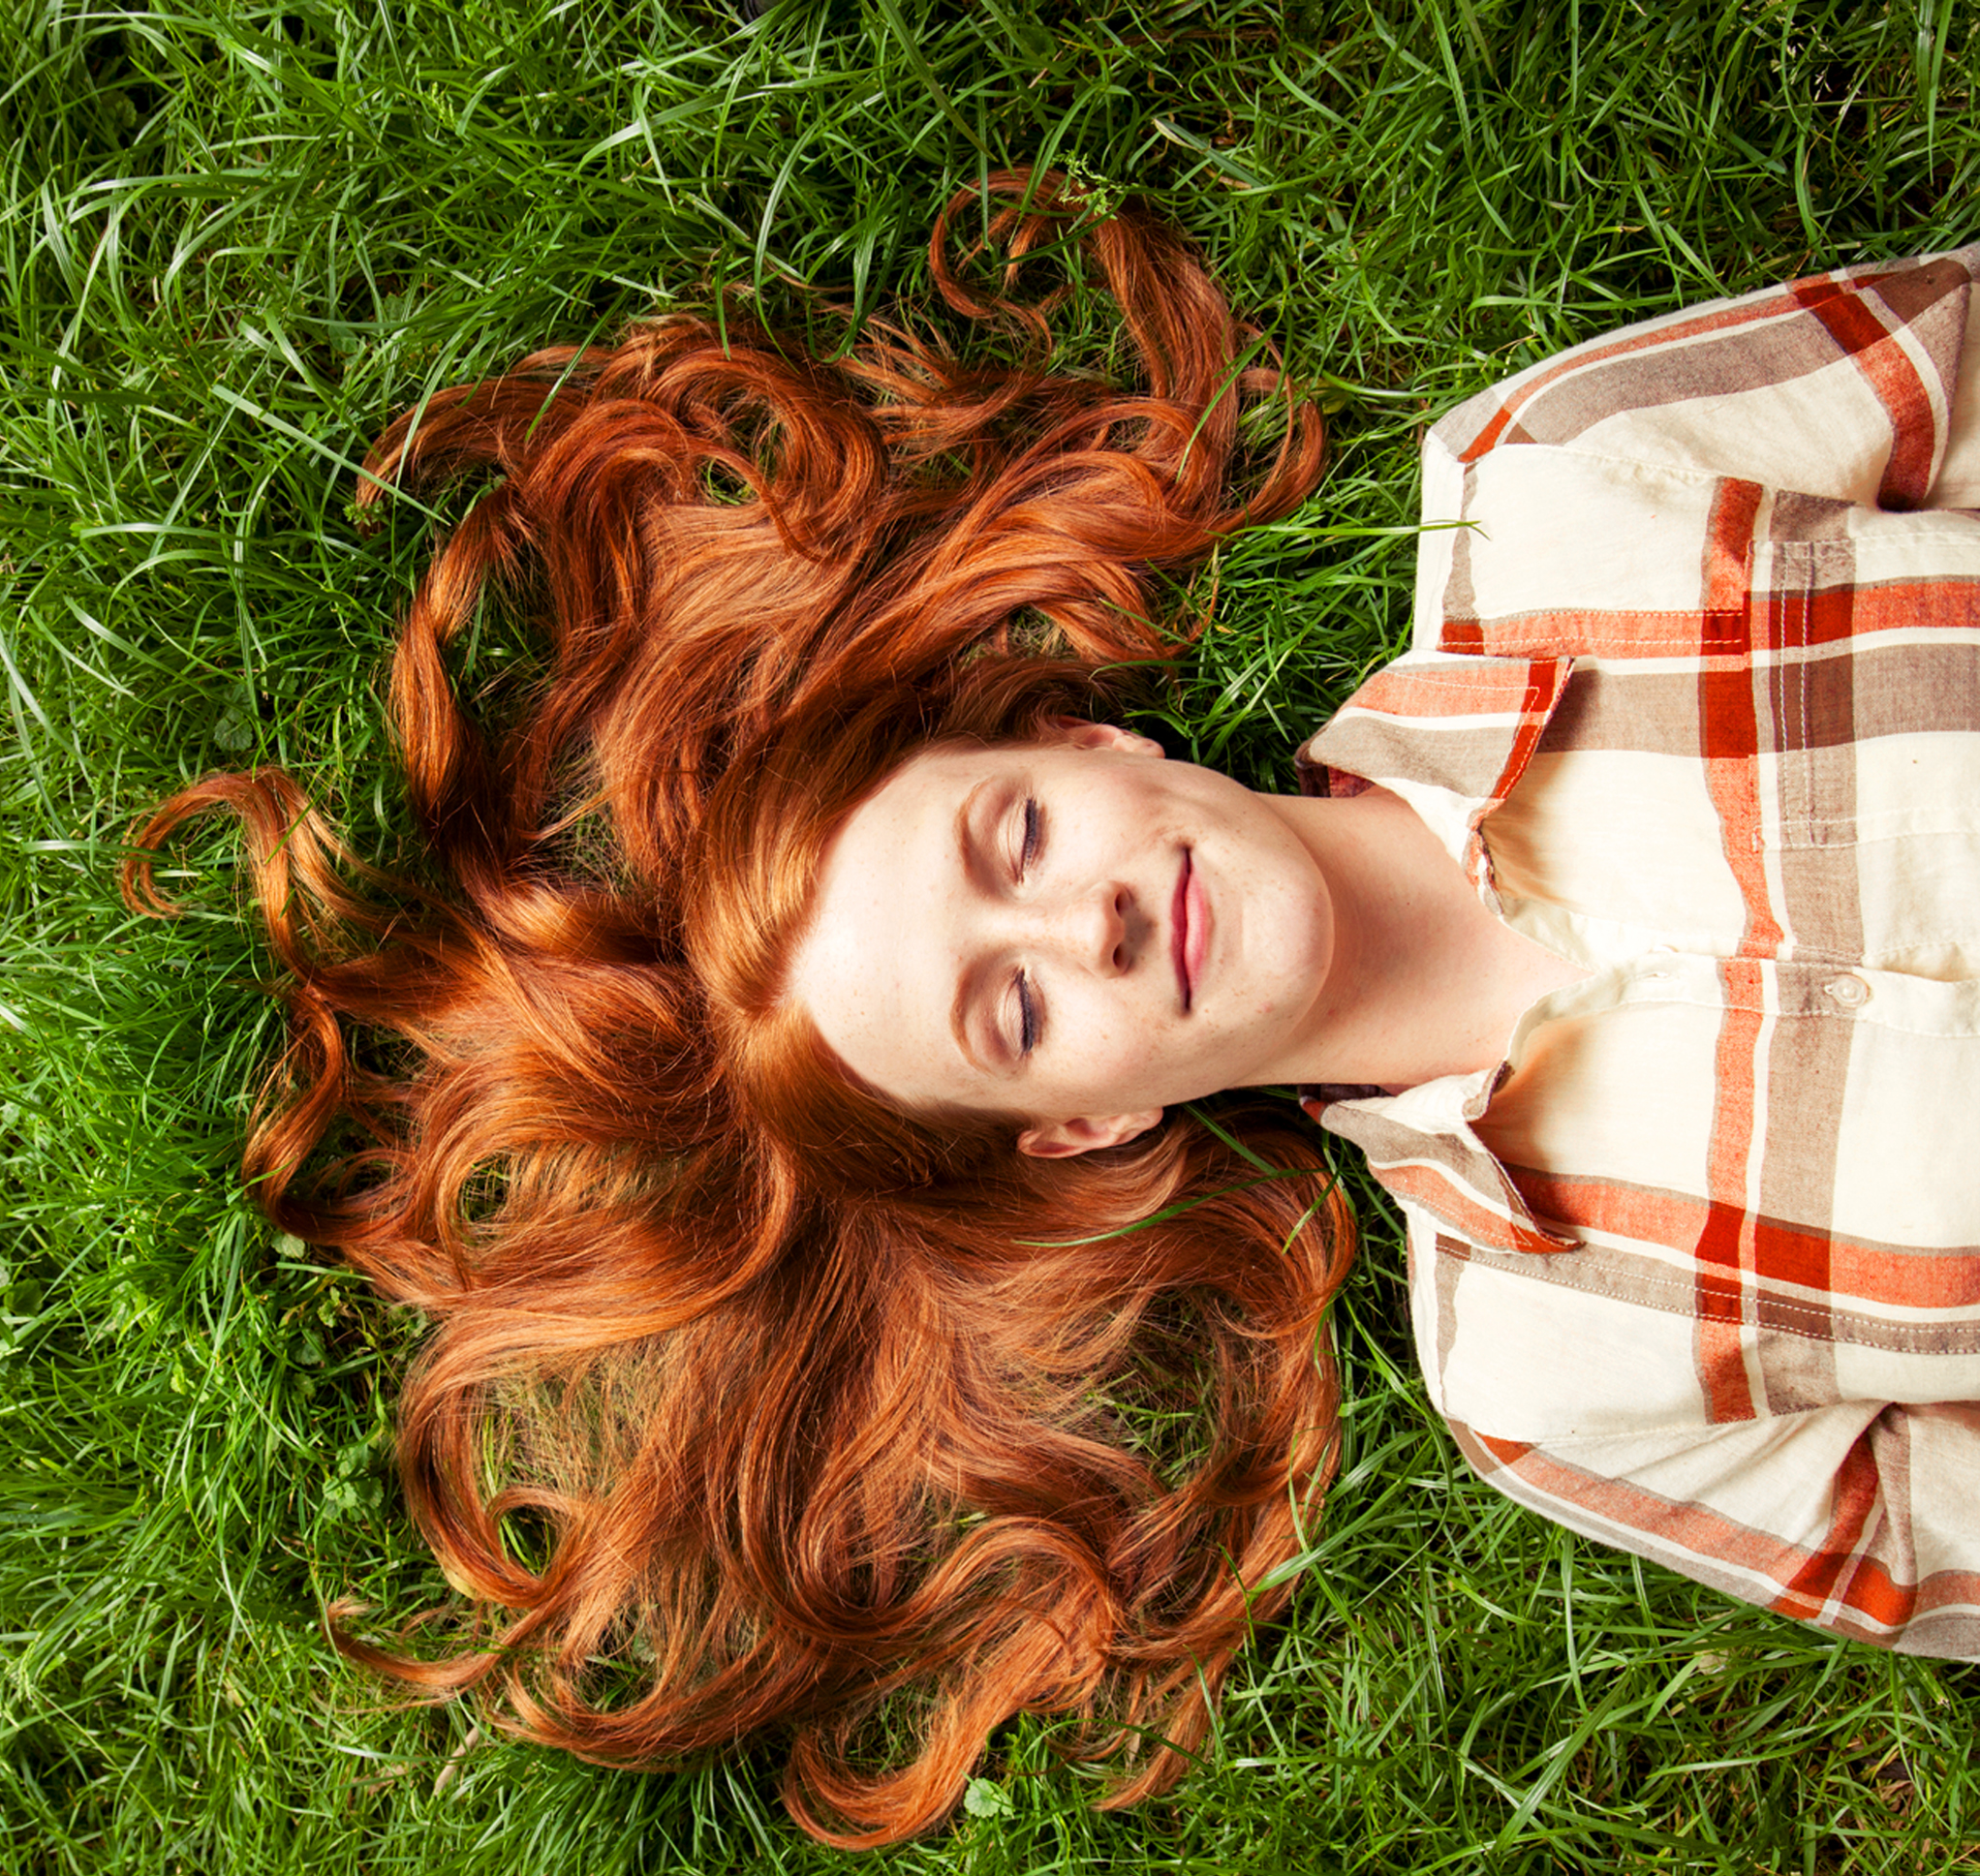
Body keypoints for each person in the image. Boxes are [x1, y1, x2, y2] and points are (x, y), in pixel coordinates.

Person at [123, 171, 1980, 1846]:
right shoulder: (1545, 1377)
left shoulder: (1558, 492)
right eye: (1008, 1013)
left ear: (1084, 737)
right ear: (1083, 1123)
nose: (1078, 920)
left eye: (1012, 835)